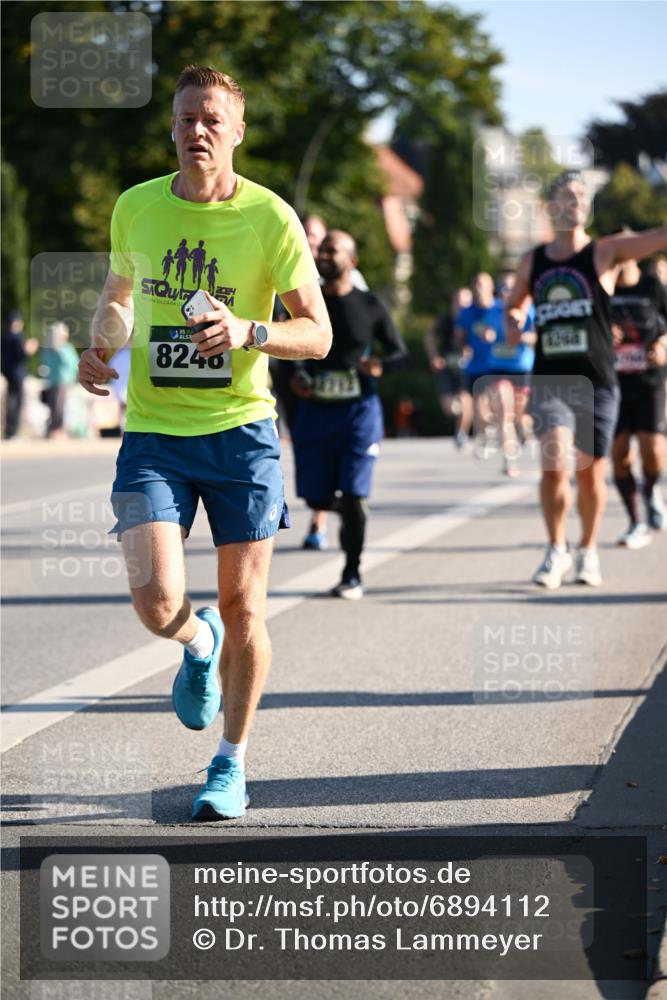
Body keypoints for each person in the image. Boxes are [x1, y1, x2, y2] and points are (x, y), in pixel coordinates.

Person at [77, 64, 331, 821]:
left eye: (212, 120)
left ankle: (230, 763)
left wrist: (250, 330)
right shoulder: (136, 208)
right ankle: (194, 643)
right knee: (157, 599)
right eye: (187, 119)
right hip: (153, 431)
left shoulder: (271, 218)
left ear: (237, 131)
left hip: (241, 435)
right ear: (172, 127)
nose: (197, 132)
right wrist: (101, 345)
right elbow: (120, 299)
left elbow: (316, 334)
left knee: (246, 606)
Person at [505, 170, 667, 588]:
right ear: (552, 205)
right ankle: (556, 548)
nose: (577, 200)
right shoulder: (534, 260)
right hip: (551, 379)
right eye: (568, 194)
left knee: (591, 474)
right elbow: (514, 303)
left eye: (582, 194)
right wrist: (514, 318)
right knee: (555, 463)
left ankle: (588, 550)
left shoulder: (605, 252)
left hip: (598, 380)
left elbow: (656, 237)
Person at [291, 230, 408, 599]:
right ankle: (345, 511)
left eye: (332, 249)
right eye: (321, 249)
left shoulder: (370, 305)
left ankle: (352, 572)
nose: (323, 254)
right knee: (315, 498)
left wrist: (379, 365)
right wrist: (295, 378)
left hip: (359, 413)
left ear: (352, 261)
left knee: (355, 495)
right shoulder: (304, 306)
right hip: (315, 412)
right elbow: (285, 351)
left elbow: (399, 353)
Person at [610, 254, 667, 547]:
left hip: (650, 382)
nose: (619, 265)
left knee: (653, 451)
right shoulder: (601, 288)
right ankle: (635, 520)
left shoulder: (652, 287)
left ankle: (651, 490)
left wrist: (663, 344)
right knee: (619, 453)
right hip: (613, 385)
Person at [457, 273, 533, 476]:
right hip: (498, 368)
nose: (507, 293)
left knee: (520, 415)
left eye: (511, 289)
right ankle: (510, 461)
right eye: (504, 290)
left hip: (521, 369)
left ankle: (525, 432)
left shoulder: (527, 309)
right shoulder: (493, 310)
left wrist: (522, 337)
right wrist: (486, 335)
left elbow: (537, 337)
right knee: (504, 414)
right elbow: (482, 330)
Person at [424, 287, 473, 448]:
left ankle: (461, 433)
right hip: (447, 367)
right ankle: (460, 425)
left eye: (466, 302)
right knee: (450, 407)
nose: (462, 305)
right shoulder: (445, 319)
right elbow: (429, 337)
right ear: (453, 302)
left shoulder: (474, 318)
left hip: (467, 368)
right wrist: (434, 357)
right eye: (459, 301)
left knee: (465, 399)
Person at [39, 321, 80, 439]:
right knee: (56, 408)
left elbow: (74, 364)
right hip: (56, 381)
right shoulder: (52, 349)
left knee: (61, 407)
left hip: (66, 381)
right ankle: (54, 430)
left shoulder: (67, 348)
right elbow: (47, 362)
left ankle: (57, 429)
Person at [1, 311, 37, 439]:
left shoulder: (4, 337)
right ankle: (13, 432)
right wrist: (30, 348)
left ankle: (8, 431)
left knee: (10, 402)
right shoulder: (17, 337)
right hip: (17, 374)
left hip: (7, 373)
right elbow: (21, 354)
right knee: (16, 403)